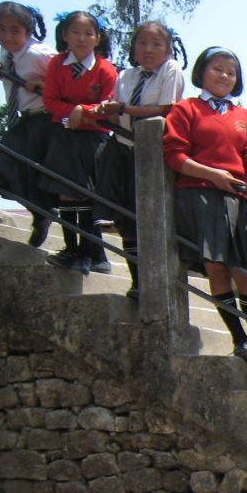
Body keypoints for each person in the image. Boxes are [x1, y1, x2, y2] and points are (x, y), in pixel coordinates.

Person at [163, 45, 247, 362]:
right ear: (201, 73)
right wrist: (212, 174)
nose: (224, 75)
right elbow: (175, 156)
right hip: (199, 195)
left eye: (231, 72)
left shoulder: (245, 116)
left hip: (236, 196)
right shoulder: (186, 109)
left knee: (245, 272)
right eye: (217, 68)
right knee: (216, 267)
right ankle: (239, 340)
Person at [90, 20, 184, 298]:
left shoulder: (171, 70)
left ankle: (158, 282)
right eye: (142, 42)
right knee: (125, 218)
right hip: (121, 148)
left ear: (168, 49)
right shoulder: (126, 76)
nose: (148, 49)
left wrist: (124, 107)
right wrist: (104, 107)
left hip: (151, 152)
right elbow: (115, 114)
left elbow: (167, 108)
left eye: (156, 44)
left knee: (151, 217)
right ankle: (137, 280)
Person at [40, 10, 116, 275]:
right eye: (75, 32)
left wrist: (81, 111)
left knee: (85, 193)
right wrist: (72, 114)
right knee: (66, 192)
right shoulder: (56, 64)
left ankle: (87, 252)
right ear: (64, 35)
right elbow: (50, 101)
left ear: (97, 38)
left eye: (88, 33)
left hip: (93, 138)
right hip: (64, 134)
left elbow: (107, 106)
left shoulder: (106, 70)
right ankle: (71, 248)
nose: (82, 39)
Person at [0, 1, 54, 243]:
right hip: (24, 120)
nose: (7, 36)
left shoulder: (38, 54)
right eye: (1, 29)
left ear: (28, 32)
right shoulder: (6, 53)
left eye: (15, 31)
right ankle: (39, 211)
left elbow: (68, 72)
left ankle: (43, 214)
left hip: (45, 119)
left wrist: (47, 87)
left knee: (31, 172)